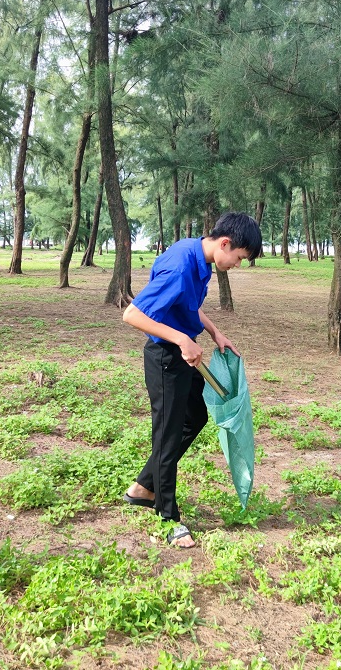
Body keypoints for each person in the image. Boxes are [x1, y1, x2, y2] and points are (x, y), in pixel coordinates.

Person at [121, 212, 262, 549]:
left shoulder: (199, 257)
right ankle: (168, 516)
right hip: (166, 359)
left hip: (184, 355)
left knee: (196, 416)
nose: (237, 265)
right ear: (225, 243)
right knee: (167, 435)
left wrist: (214, 332)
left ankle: (143, 486)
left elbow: (188, 305)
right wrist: (182, 339)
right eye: (240, 257)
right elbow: (133, 314)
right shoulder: (181, 265)